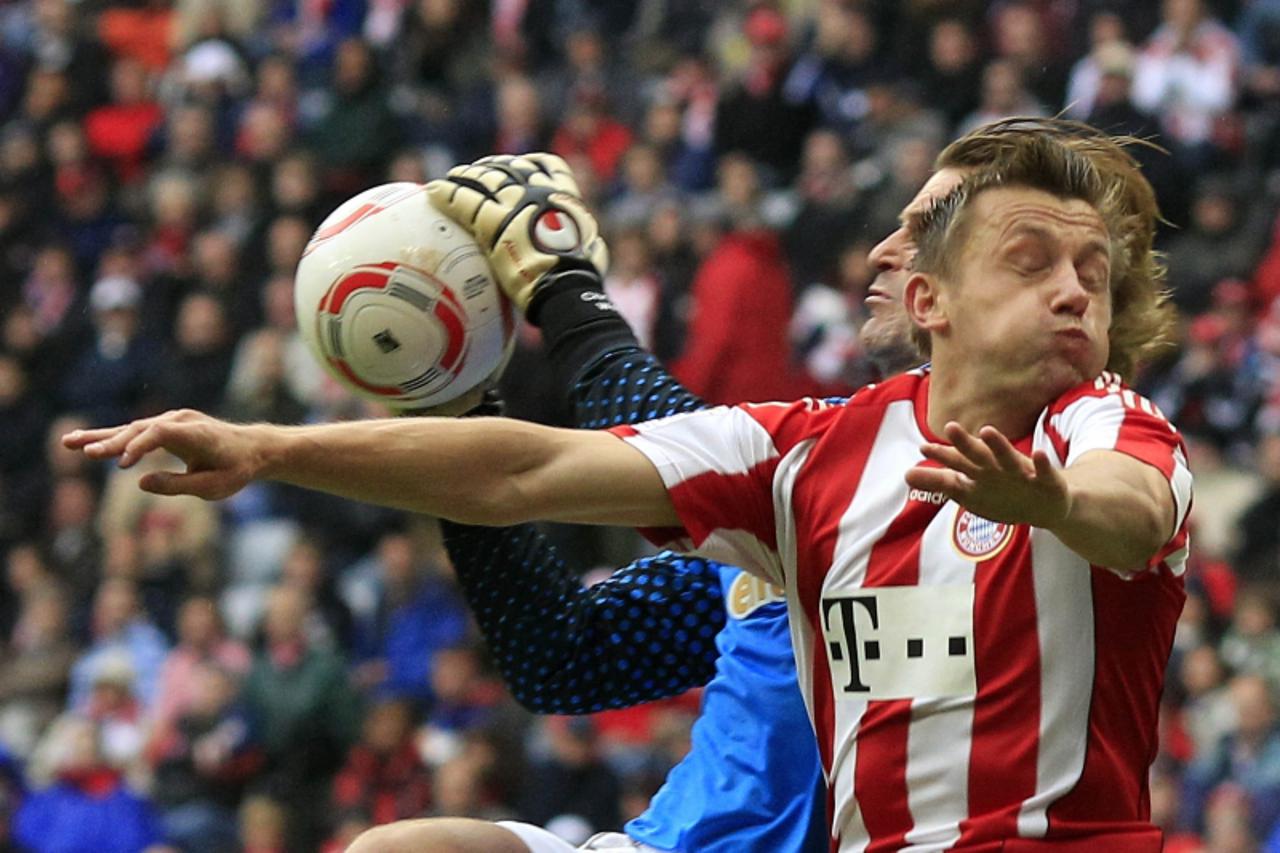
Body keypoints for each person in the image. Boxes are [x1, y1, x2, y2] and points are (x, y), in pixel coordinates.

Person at [66, 134, 1186, 850]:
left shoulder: (1098, 428)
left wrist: (565, 294)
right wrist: (279, 442)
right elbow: (555, 588)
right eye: (906, 220)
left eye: (1078, 266)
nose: (889, 244)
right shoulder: (806, 476)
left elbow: (1125, 503)